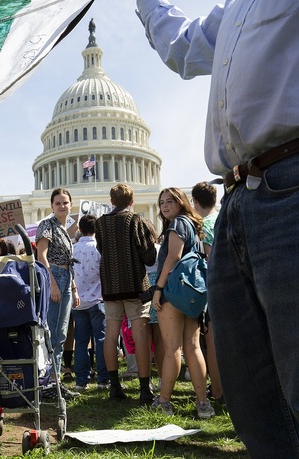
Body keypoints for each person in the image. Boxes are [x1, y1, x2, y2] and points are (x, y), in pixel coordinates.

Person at [136, 2, 299, 454]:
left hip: (291, 177)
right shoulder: (233, 11)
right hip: (238, 192)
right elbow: (182, 48)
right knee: (252, 385)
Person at [150, 188, 214, 419]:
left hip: (174, 291)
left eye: (170, 201)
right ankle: (203, 403)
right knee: (193, 347)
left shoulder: (177, 224)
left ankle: (164, 401)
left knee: (173, 348)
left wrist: (158, 288)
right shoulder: (194, 225)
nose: (165, 206)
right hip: (193, 292)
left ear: (181, 202)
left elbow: (173, 257)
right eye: (161, 202)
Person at [95, 184, 157, 402]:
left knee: (111, 335)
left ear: (112, 201)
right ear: (131, 201)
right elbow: (150, 257)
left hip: (111, 287)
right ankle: (144, 388)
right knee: (140, 334)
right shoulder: (136, 221)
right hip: (134, 285)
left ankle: (115, 387)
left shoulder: (100, 223)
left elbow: (102, 249)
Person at [35, 188, 80, 399]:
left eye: (65, 202)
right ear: (52, 206)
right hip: (53, 277)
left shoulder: (65, 229)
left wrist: (73, 286)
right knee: (51, 332)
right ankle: (46, 382)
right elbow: (41, 256)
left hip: (65, 278)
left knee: (61, 334)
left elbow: (67, 261)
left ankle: (55, 380)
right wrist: (52, 283)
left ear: (71, 205)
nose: (62, 206)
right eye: (58, 203)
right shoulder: (48, 224)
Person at [191, 181, 223, 405]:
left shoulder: (204, 226)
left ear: (195, 201)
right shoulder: (224, 217)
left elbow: (211, 260)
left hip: (216, 289)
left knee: (213, 342)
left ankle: (219, 391)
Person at [71, 215, 108, 391]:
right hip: (97, 298)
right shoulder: (100, 249)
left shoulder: (73, 249)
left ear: (80, 227)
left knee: (80, 341)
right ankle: (102, 379)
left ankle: (81, 380)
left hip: (78, 300)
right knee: (101, 340)